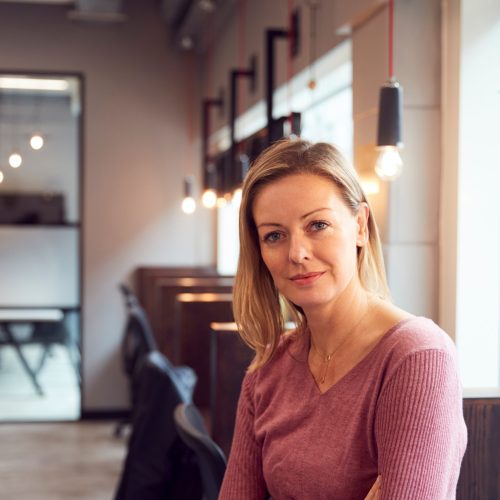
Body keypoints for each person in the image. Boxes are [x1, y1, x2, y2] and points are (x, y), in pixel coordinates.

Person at [219, 139, 467, 499]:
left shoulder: (418, 357)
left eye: (317, 225)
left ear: (361, 226)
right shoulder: (267, 370)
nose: (298, 253)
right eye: (274, 235)